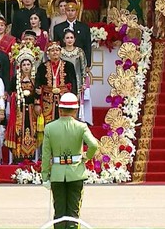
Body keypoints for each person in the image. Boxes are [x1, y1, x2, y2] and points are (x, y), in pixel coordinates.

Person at [41, 92, 98, 229]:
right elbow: (94, 145)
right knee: (74, 212)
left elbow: (45, 154)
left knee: (59, 212)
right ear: (75, 110)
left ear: (59, 110)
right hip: (76, 172)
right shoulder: (81, 127)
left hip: (57, 174)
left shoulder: (50, 128)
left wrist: (45, 175)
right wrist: (86, 156)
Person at [5, 43, 42, 159]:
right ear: (20, 66)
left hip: (32, 110)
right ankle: (18, 155)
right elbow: (10, 93)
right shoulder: (15, 79)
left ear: (32, 66)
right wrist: (16, 96)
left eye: (28, 64)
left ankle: (32, 156)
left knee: (33, 130)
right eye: (24, 64)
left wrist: (38, 96)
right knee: (19, 131)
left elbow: (39, 94)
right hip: (18, 110)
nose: (26, 67)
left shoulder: (36, 79)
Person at [35, 42, 78, 124]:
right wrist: (37, 103)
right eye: (52, 51)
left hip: (64, 99)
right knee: (48, 124)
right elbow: (38, 85)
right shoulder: (42, 67)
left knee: (66, 123)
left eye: (57, 50)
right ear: (48, 53)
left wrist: (74, 99)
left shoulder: (69, 66)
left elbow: (74, 83)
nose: (55, 52)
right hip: (47, 100)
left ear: (60, 52)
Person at [60, 29, 90, 124]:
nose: (69, 40)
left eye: (71, 37)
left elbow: (83, 68)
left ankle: (74, 125)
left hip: (77, 82)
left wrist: (83, 83)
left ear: (75, 39)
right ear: (64, 40)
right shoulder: (60, 51)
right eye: (67, 38)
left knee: (74, 104)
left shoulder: (79, 52)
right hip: (63, 82)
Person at [53, 0, 92, 68]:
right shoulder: (58, 28)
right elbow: (56, 46)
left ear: (77, 12)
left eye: (72, 10)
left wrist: (88, 64)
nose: (70, 13)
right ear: (65, 11)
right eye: (68, 10)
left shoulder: (84, 27)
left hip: (79, 61)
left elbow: (87, 46)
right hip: (63, 62)